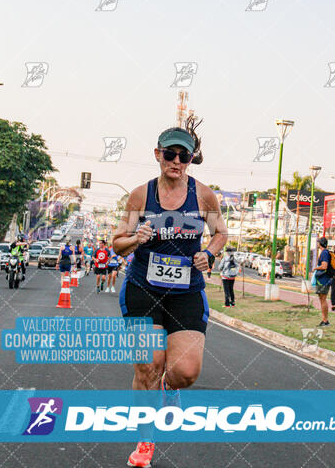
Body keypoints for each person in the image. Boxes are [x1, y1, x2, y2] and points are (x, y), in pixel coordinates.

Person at [112, 118, 227, 468]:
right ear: (158, 155)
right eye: (170, 154)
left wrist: (209, 253)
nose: (176, 161)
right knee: (149, 366)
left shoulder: (203, 195)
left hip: (186, 291)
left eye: (184, 156)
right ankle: (145, 441)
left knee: (185, 372)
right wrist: (137, 239)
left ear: (191, 159)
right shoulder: (140, 194)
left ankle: (170, 388)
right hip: (143, 289)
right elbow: (117, 244)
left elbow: (221, 233)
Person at [313, 237, 333, 326]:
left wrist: (315, 268)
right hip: (323, 279)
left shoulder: (324, 252)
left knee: (323, 299)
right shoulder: (325, 252)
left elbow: (324, 266)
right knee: (321, 299)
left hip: (323, 280)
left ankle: (325, 320)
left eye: (318, 243)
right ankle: (324, 319)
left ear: (320, 243)